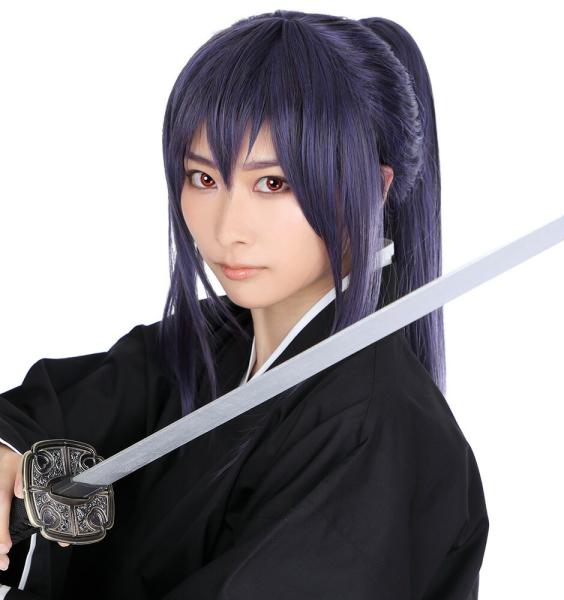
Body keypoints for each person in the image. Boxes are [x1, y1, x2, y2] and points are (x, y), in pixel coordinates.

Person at [0, 9, 489, 599]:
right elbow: (45, 410)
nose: (228, 228)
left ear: (375, 188)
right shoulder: (203, 345)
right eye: (204, 179)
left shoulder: (378, 434)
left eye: (273, 183)